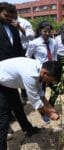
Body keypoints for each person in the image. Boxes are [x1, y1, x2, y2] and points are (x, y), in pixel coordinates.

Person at [0, 57, 61, 150]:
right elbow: (36, 103)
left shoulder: (39, 71)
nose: (49, 83)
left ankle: (28, 129)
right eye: (50, 80)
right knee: (3, 117)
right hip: (1, 80)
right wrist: (50, 114)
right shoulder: (30, 75)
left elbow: (41, 95)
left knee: (17, 107)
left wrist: (51, 109)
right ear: (45, 73)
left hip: (8, 81)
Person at [0, 2, 37, 142]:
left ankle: (28, 129)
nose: (9, 18)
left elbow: (18, 50)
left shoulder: (13, 28)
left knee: (17, 105)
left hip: (11, 74)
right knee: (3, 112)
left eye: (11, 16)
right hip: (0, 75)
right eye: (6, 15)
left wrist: (25, 63)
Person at [26, 21, 59, 107]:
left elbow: (55, 55)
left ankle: (51, 105)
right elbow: (28, 57)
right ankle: (44, 110)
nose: (47, 33)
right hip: (41, 72)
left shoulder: (53, 42)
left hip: (51, 71)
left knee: (57, 89)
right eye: (45, 31)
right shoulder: (34, 43)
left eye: (49, 31)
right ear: (40, 31)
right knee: (42, 92)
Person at [11, 9, 35, 104]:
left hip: (24, 51)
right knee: (15, 74)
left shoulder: (24, 22)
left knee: (25, 74)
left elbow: (31, 36)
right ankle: (20, 96)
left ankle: (26, 95)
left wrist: (19, 27)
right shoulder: (5, 23)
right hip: (12, 52)